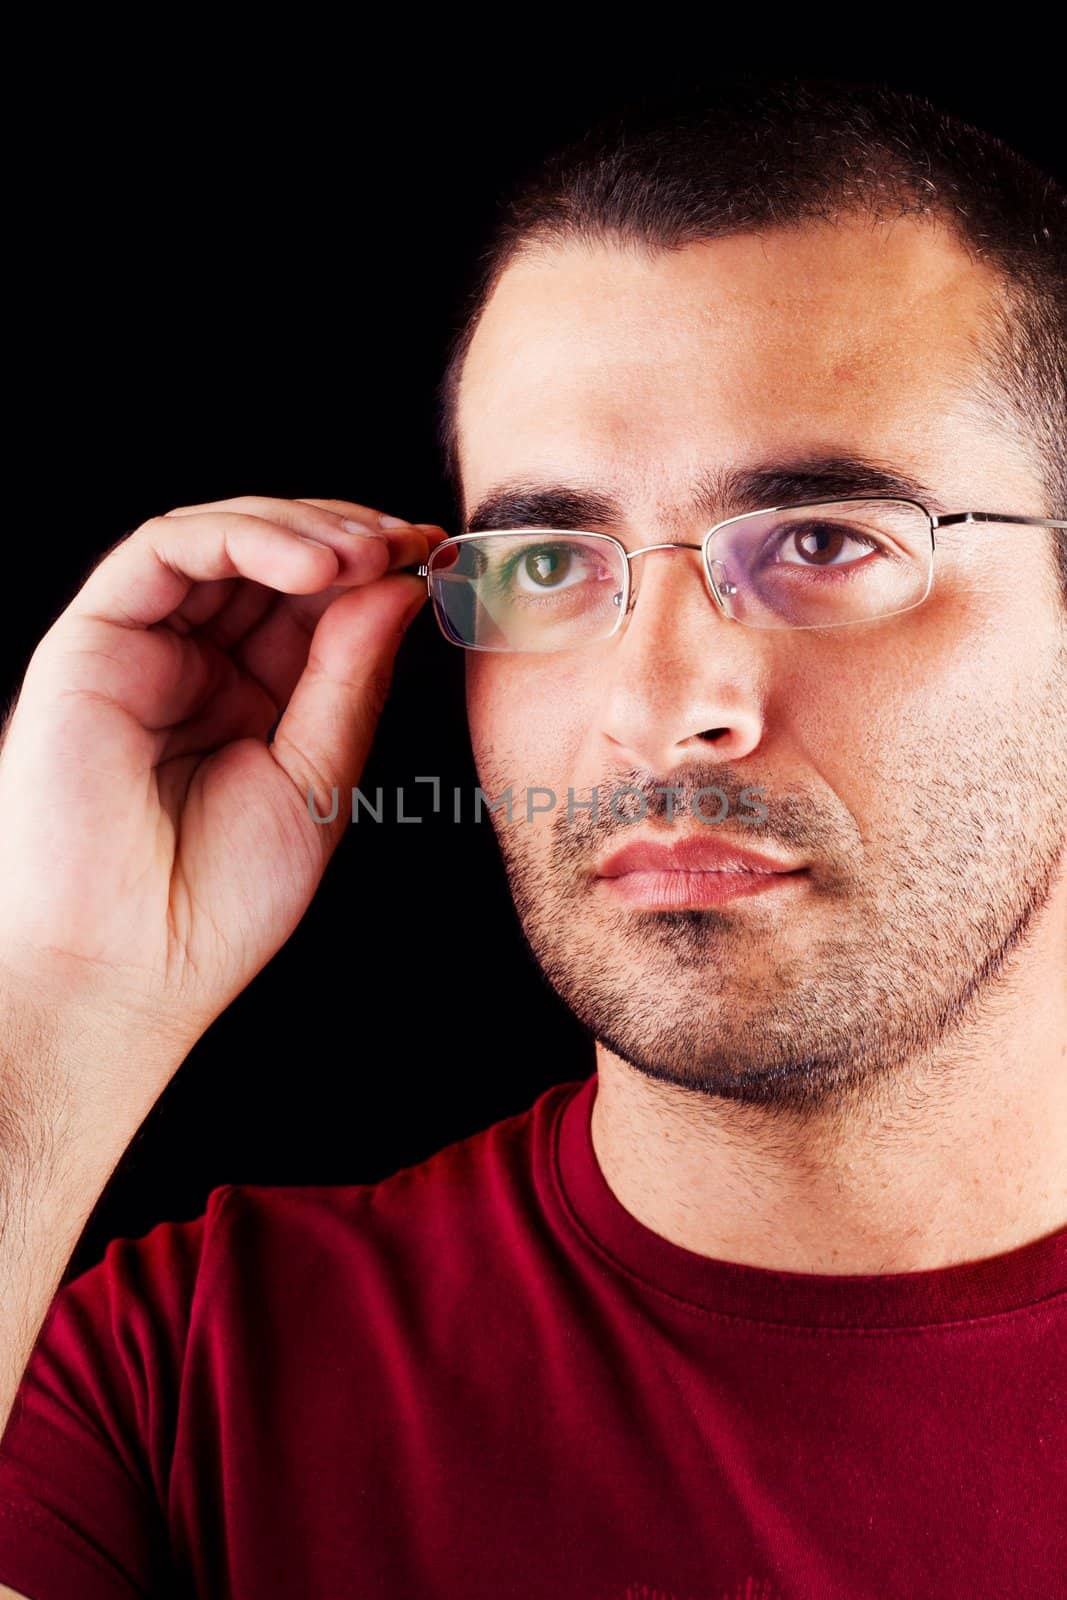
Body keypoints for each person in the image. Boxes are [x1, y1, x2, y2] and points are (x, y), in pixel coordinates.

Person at [1, 72, 1064, 1600]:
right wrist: (61, 988)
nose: (658, 705)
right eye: (551, 560)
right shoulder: (181, 1382)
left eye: (828, 542)